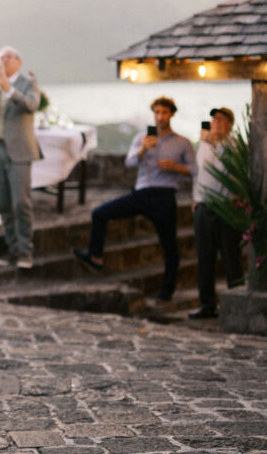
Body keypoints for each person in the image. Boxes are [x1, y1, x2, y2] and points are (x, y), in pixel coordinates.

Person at [73, 96, 196, 302]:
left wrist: (175, 168)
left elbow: (194, 170)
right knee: (99, 213)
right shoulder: (141, 137)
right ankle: (96, 257)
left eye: (164, 112)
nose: (160, 117)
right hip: (141, 194)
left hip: (164, 196)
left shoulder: (182, 143)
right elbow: (129, 162)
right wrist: (142, 150)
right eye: (157, 112)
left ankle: (167, 292)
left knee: (170, 246)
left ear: (171, 114)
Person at [0, 47, 42, 270]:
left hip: (19, 151)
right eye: (0, 58)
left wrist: (9, 90)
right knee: (4, 204)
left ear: (19, 60)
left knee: (21, 203)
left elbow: (31, 105)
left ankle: (26, 251)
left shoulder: (28, 83)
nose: (4, 61)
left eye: (8, 57)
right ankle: (13, 248)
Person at [189, 107, 243, 319]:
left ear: (230, 125)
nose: (216, 122)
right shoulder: (204, 145)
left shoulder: (234, 145)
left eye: (221, 119)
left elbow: (229, 169)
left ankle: (237, 305)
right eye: (214, 119)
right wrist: (195, 198)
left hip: (225, 207)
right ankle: (207, 304)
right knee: (204, 258)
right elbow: (198, 173)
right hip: (204, 206)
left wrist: (214, 143)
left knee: (231, 257)